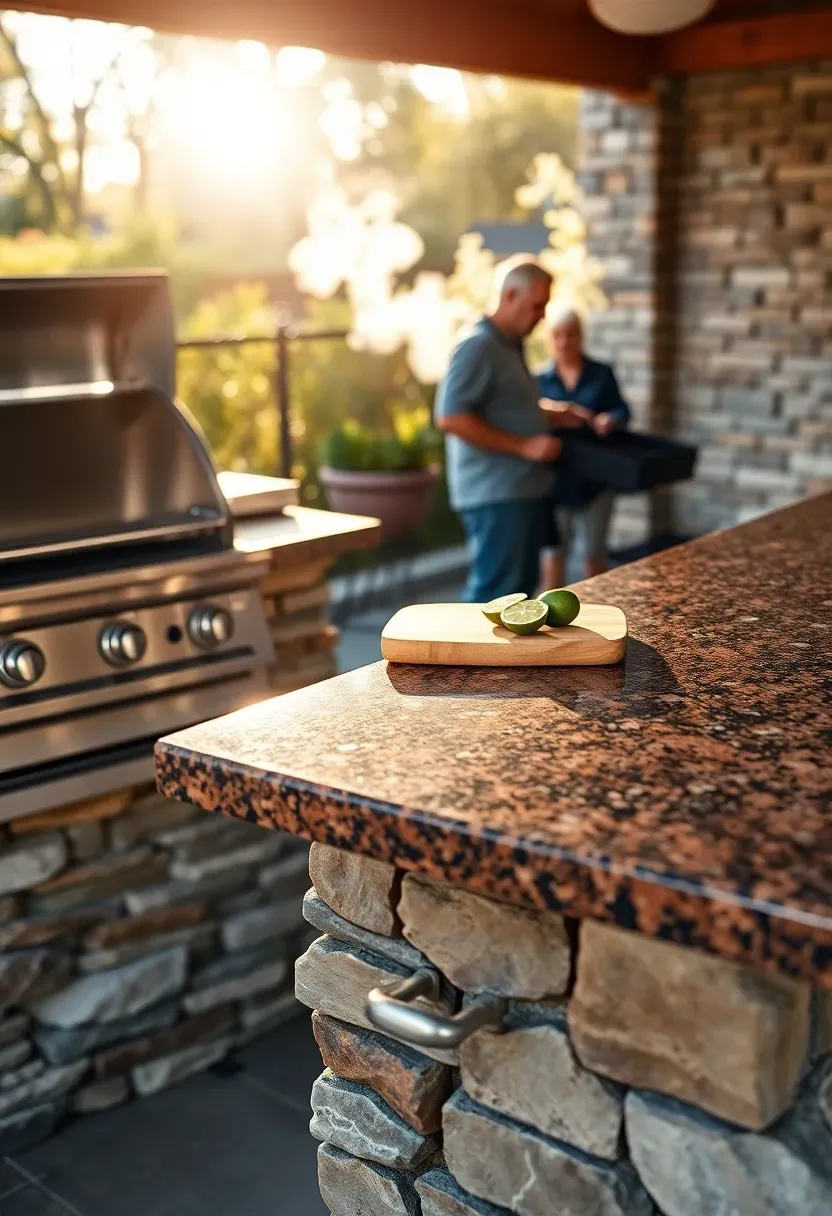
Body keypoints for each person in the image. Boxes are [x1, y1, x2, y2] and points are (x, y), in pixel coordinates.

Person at [435, 261, 586, 602]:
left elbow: (505, 405)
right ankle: (462, 657)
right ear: (509, 295)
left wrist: (552, 414)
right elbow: (450, 417)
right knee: (493, 598)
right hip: (496, 495)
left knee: (517, 596)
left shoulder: (509, 344)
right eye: (537, 305)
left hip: (521, 491)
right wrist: (525, 447)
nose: (542, 315)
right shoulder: (477, 346)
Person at [537, 306, 631, 588]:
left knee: (593, 554)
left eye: (571, 334)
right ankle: (549, 619)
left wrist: (610, 419)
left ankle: (599, 619)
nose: (564, 341)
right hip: (556, 479)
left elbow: (623, 411)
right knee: (554, 553)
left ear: (581, 336)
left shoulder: (601, 374)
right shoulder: (539, 380)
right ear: (550, 339)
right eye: (558, 335)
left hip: (596, 480)